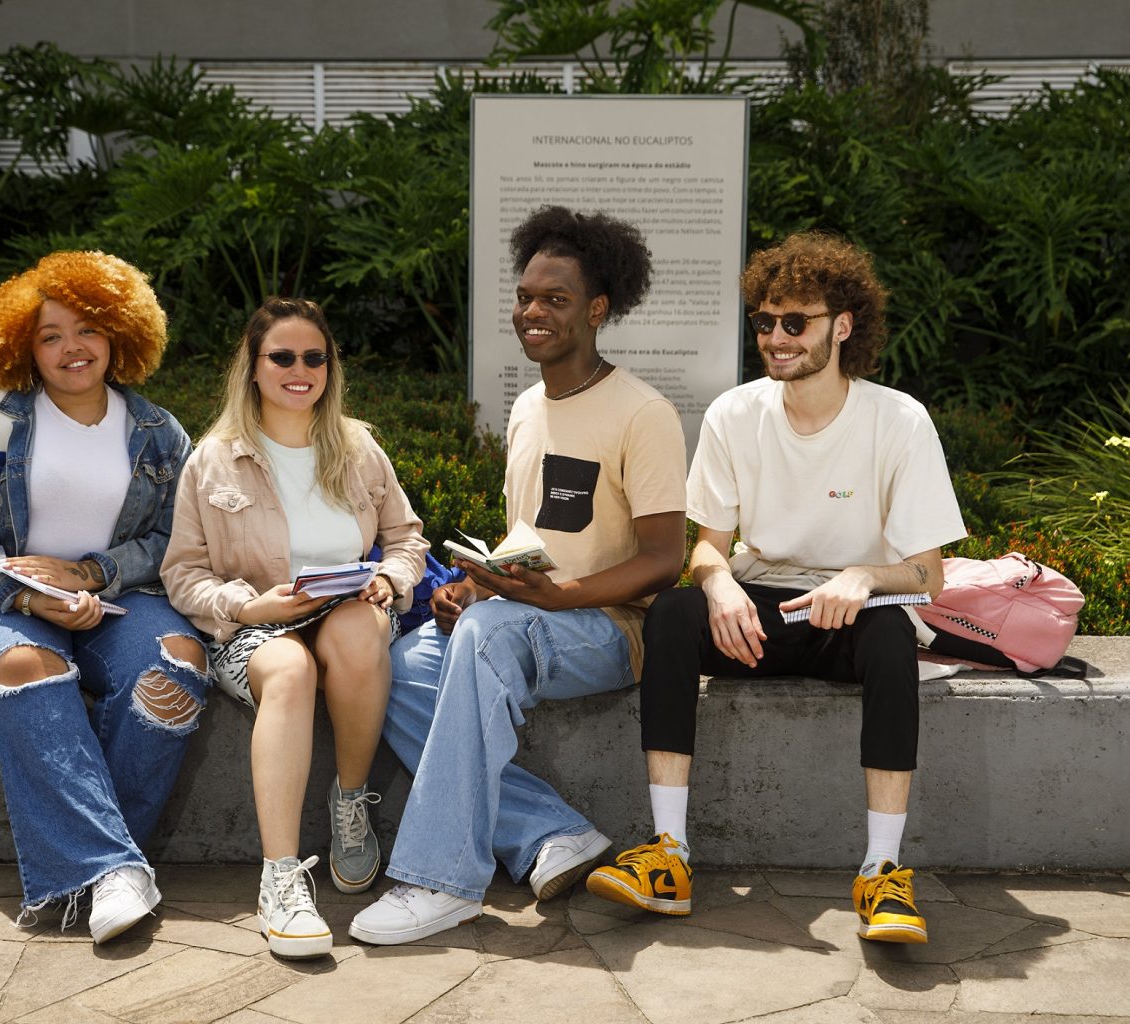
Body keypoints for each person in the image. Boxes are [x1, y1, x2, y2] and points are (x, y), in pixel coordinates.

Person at [586, 231, 966, 944]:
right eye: (765, 321)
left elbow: (928, 573)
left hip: (851, 618)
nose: (777, 337)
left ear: (842, 327)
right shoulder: (735, 414)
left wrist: (863, 575)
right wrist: (718, 583)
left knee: (891, 634)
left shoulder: (898, 420)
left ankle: (882, 871)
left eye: (796, 321)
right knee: (674, 613)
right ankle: (669, 856)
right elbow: (708, 545)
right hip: (760, 615)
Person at [349, 206, 688, 945]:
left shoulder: (644, 413)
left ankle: (441, 881)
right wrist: (474, 584)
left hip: (611, 630)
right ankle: (550, 834)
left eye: (555, 299)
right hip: (528, 611)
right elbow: (533, 533)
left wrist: (560, 598)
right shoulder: (530, 405)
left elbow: (666, 559)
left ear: (597, 309)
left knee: (488, 637)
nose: (533, 312)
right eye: (526, 296)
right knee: (401, 666)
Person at [0, 250, 208, 943]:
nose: (70, 348)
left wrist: (88, 575)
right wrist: (29, 598)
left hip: (118, 597)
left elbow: (173, 537)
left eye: (86, 329)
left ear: (119, 333)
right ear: (23, 347)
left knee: (178, 663)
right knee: (27, 665)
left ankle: (104, 867)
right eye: (49, 335)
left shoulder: (159, 431)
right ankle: (116, 868)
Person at [161, 297, 428, 958]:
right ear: (253, 367)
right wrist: (249, 608)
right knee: (289, 667)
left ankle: (350, 802)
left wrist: (388, 579)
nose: (300, 370)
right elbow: (183, 573)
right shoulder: (213, 459)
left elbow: (406, 539)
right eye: (282, 356)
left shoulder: (358, 448)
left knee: (359, 631)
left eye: (315, 357)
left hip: (347, 610)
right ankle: (280, 879)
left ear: (331, 366)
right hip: (256, 624)